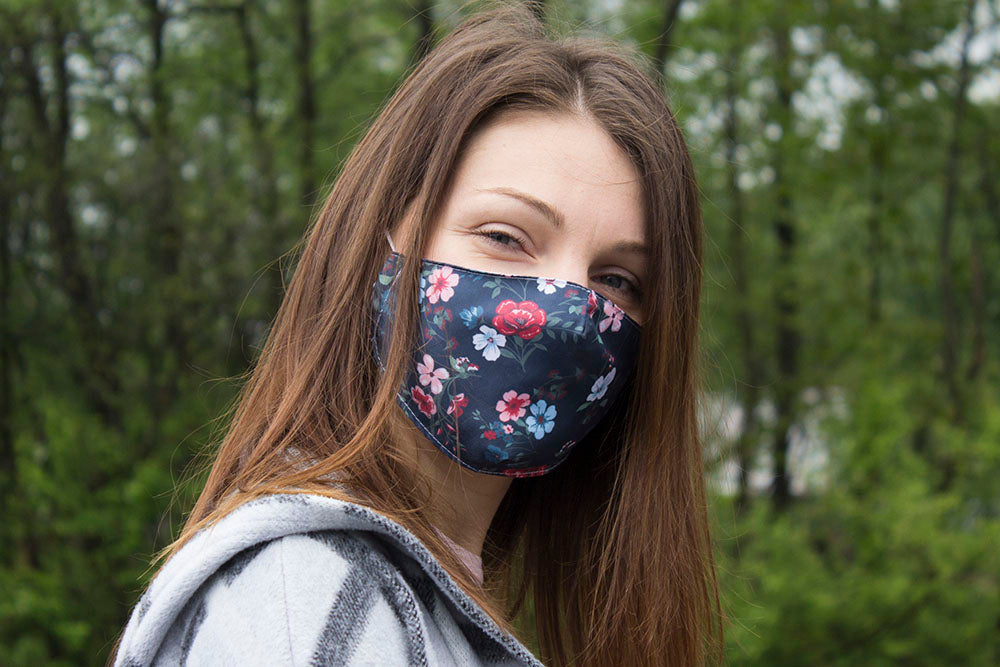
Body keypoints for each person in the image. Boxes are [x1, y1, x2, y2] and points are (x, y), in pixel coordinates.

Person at [112, 3, 724, 666]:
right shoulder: (306, 599)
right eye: (505, 237)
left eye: (618, 279)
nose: (568, 309)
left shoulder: (408, 596)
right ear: (380, 241)